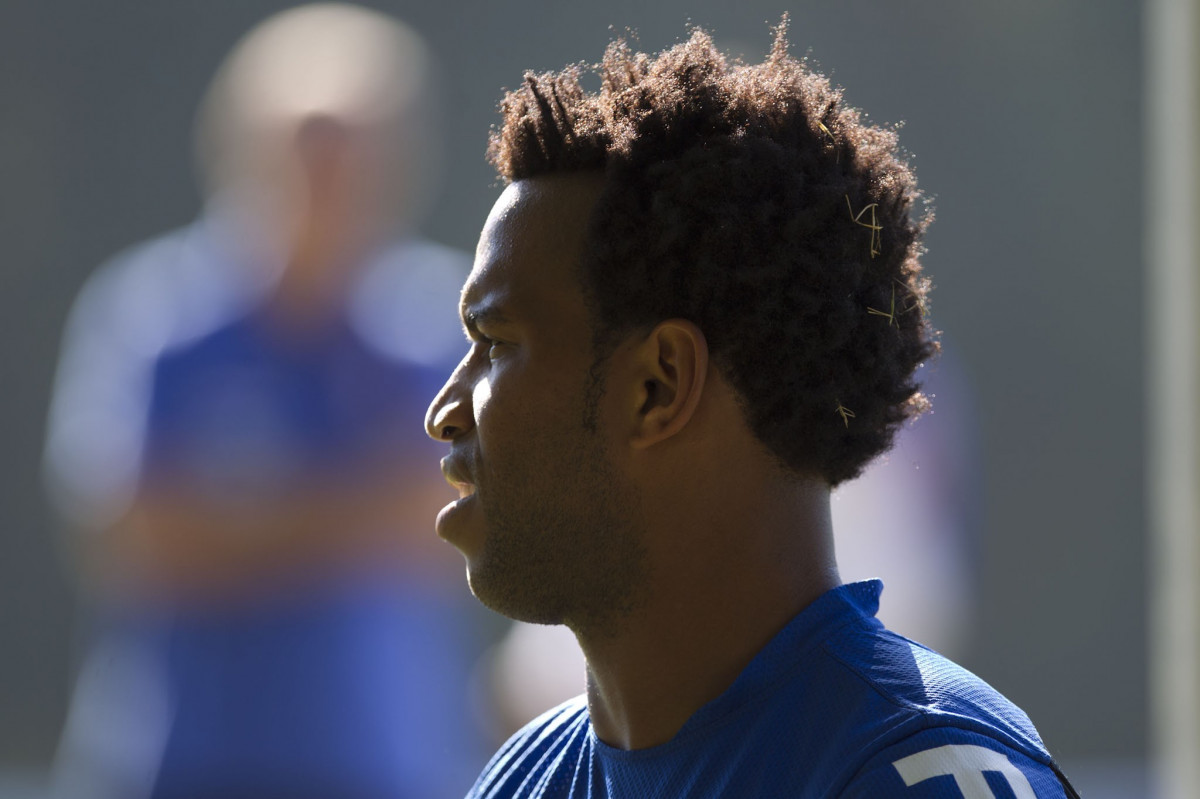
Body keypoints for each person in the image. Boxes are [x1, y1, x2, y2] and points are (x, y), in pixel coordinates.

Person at [424, 21, 1081, 798]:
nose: (444, 410)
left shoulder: (915, 775)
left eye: (495, 344)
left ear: (659, 387)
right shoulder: (526, 778)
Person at [44, 5, 489, 798]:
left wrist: (245, 515)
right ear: (237, 148)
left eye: (358, 155)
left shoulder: (445, 326)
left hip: (386, 766)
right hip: (181, 769)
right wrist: (366, 505)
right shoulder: (154, 318)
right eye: (309, 152)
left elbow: (461, 524)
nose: (332, 182)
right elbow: (131, 536)